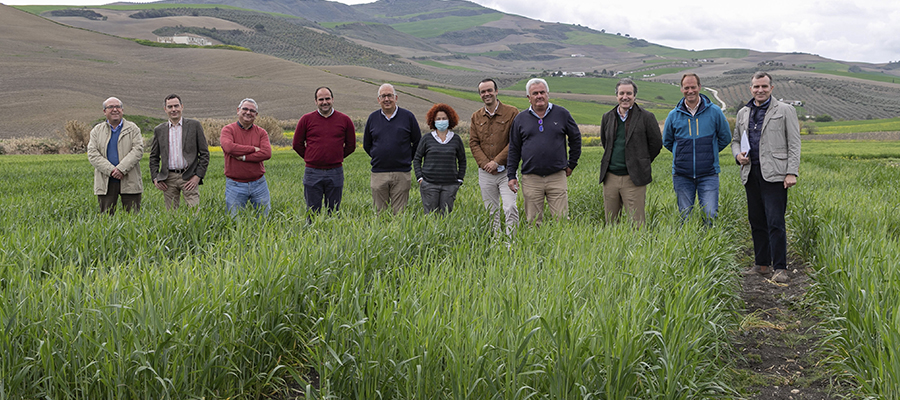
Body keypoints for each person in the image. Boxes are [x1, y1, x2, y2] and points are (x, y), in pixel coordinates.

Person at [732, 72, 801, 284]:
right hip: (751, 173)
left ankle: (780, 267)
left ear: (772, 88)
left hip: (776, 174)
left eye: (764, 86)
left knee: (775, 222)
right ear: (750, 89)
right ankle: (761, 264)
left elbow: (794, 143)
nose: (759, 90)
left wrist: (792, 171)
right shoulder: (743, 112)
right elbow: (736, 140)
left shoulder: (785, 110)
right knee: (756, 221)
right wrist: (738, 155)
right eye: (756, 87)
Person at [507, 78, 581, 225]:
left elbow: (576, 138)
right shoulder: (520, 119)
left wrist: (571, 164)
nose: (539, 96)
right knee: (533, 222)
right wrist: (511, 175)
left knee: (561, 221)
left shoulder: (562, 114)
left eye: (542, 92)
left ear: (548, 94)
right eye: (535, 93)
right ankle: (537, 248)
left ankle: (563, 247)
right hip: (531, 178)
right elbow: (514, 148)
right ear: (529, 98)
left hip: (557, 176)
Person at [662, 74, 731, 223]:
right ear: (681, 89)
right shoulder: (673, 115)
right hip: (682, 175)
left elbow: (725, 137)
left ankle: (709, 245)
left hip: (709, 174)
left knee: (710, 215)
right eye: (686, 88)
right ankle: (689, 244)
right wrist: (680, 154)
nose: (690, 91)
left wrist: (709, 152)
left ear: (699, 87)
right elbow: (667, 141)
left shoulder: (715, 112)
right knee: (685, 217)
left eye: (693, 87)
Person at [598, 78, 663, 228]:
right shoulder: (607, 117)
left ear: (635, 96)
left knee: (637, 224)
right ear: (617, 96)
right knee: (611, 223)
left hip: (634, 179)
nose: (625, 97)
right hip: (610, 178)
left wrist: (640, 161)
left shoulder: (647, 117)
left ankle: (638, 251)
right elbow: (606, 142)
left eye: (629, 93)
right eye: (621, 93)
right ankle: (614, 250)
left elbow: (656, 144)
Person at [293, 87, 357, 214]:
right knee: (312, 212)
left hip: (335, 172)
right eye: (321, 99)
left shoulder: (345, 120)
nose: (324, 102)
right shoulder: (306, 120)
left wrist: (336, 157)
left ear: (332, 99)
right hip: (312, 172)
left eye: (327, 98)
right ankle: (312, 233)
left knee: (333, 212)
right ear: (315, 102)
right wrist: (311, 157)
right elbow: (297, 144)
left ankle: (332, 233)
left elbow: (351, 145)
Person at [470, 78, 519, 235]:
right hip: (486, 173)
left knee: (510, 206)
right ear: (480, 95)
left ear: (496, 91)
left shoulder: (512, 112)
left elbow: (515, 142)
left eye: (489, 90)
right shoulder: (476, 117)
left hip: (507, 172)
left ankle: (512, 242)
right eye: (483, 92)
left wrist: (496, 162)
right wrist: (486, 164)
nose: (487, 94)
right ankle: (496, 242)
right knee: (491, 211)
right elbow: (473, 143)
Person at [363, 83, 422, 214]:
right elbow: (367, 144)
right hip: (378, 173)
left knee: (400, 214)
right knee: (380, 214)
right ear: (378, 100)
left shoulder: (408, 117)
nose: (386, 99)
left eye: (389, 95)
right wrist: (378, 155)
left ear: (396, 97)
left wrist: (406, 158)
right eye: (383, 96)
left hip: (402, 173)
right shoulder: (372, 118)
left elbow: (418, 142)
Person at [149, 94, 210, 210]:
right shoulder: (159, 130)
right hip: (168, 179)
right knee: (171, 216)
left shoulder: (194, 126)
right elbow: (154, 157)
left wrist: (198, 176)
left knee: (194, 213)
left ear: (182, 107)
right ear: (165, 109)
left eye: (176, 106)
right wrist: (155, 178)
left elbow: (204, 154)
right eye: (170, 107)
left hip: (189, 176)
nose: (173, 110)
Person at [87, 97, 143, 215]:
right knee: (106, 218)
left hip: (130, 180)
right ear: (104, 111)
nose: (115, 110)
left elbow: (138, 150)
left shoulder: (133, 128)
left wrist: (121, 169)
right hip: (106, 182)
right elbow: (92, 154)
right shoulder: (97, 131)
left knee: (133, 218)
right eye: (110, 107)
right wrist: (112, 170)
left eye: (118, 107)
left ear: (122, 110)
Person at [220, 98, 272, 216]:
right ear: (238, 110)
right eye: (245, 109)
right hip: (235, 184)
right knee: (234, 220)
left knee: (264, 219)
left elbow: (267, 153)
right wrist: (253, 149)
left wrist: (244, 157)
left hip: (259, 183)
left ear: (256, 115)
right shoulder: (228, 130)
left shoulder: (261, 132)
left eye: (252, 111)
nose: (248, 113)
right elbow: (229, 148)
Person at [413, 103, 466, 214]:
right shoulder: (427, 138)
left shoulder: (456, 139)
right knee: (430, 216)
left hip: (450, 185)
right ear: (433, 120)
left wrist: (459, 179)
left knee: (445, 216)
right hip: (429, 184)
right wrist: (420, 178)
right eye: (438, 119)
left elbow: (462, 160)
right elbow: (417, 158)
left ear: (450, 120)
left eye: (444, 118)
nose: (441, 121)